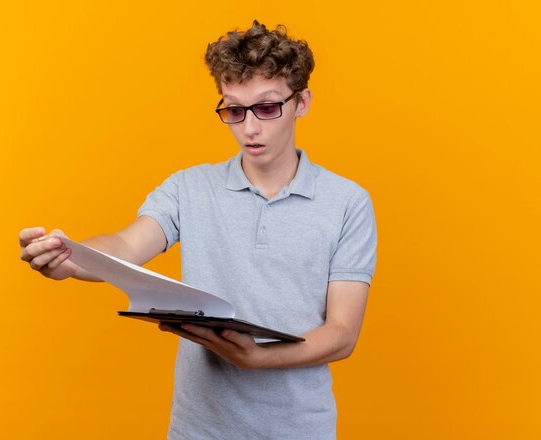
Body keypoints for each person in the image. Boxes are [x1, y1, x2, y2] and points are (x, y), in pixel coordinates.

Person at [19, 20, 376, 440]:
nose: (249, 128)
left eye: (266, 107)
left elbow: (341, 335)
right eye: (234, 110)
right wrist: (69, 258)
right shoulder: (188, 187)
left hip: (300, 429)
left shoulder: (348, 202)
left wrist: (258, 360)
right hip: (198, 429)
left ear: (302, 102)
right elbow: (126, 244)